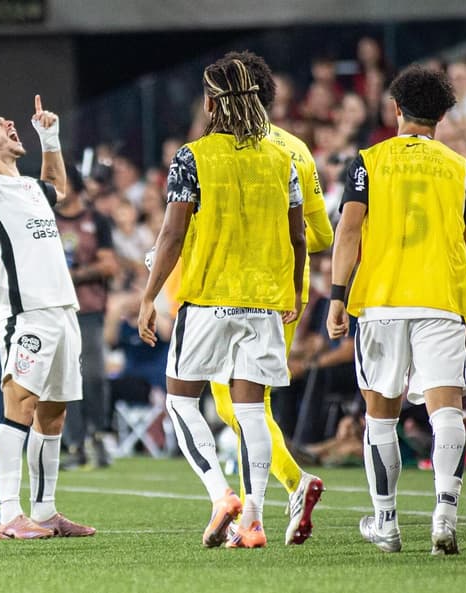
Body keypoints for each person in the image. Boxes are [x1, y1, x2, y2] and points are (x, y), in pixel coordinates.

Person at [140, 56, 306, 549]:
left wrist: (149, 295)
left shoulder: (192, 157)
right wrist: (294, 291)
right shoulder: (282, 159)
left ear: (210, 104)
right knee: (252, 412)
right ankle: (253, 520)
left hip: (209, 298)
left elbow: (173, 233)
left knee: (180, 400)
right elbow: (298, 236)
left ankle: (221, 495)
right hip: (263, 301)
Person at [328, 65, 466, 555]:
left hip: (381, 302)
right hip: (440, 299)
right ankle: (445, 517)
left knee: (381, 416)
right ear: (442, 116)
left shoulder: (368, 162)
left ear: (395, 109)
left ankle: (387, 524)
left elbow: (348, 231)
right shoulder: (461, 168)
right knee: (446, 411)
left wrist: (337, 295)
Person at [0, 94, 96, 539]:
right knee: (20, 406)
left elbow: (59, 190)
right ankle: (10, 514)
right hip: (26, 312)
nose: (9, 123)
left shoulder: (28, 186)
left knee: (53, 413)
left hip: (62, 308)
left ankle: (45, 512)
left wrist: (50, 137)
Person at [204, 50, 332, 546]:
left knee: (235, 403)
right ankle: (251, 515)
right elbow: (320, 235)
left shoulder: (221, 149)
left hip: (239, 286)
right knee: (252, 401)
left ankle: (293, 484)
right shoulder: (295, 148)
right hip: (287, 288)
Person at [54, 164, 118, 469]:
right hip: (56, 309)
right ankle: (74, 444)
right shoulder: (45, 219)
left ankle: (99, 436)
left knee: (93, 375)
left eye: (61, 181)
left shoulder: (96, 220)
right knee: (64, 378)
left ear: (76, 185)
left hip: (88, 309)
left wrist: (76, 275)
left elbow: (110, 265)